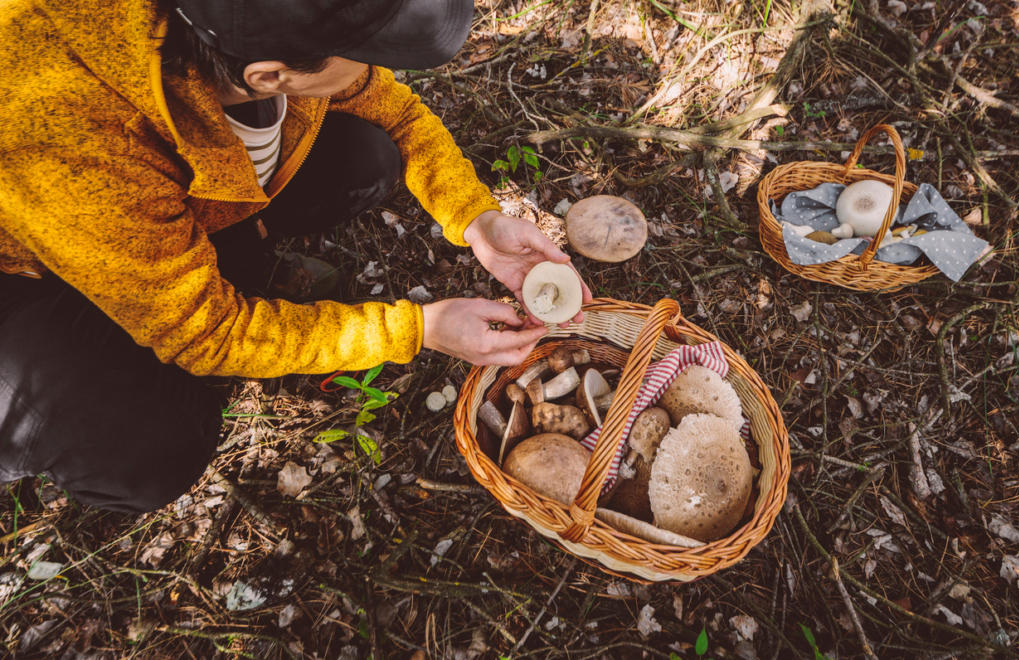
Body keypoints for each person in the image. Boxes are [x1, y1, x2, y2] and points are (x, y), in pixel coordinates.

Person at [0, 0, 591, 514]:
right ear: (270, 74)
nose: (376, 65)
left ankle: (204, 260)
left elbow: (395, 110)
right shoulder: (82, 144)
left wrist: (477, 220)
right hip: (24, 271)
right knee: (151, 452)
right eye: (363, 50)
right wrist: (417, 329)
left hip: (140, 220)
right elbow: (207, 334)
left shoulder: (242, 29)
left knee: (368, 157)